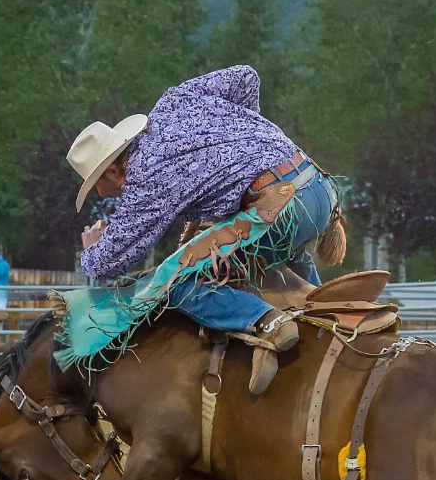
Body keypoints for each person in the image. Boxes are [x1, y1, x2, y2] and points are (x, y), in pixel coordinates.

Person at [66, 65, 342, 394]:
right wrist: (248, 141)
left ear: (112, 171)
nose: (101, 194)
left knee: (175, 282)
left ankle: (269, 322)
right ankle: (328, 318)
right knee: (281, 253)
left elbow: (110, 263)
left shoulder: (145, 181)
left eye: (97, 184)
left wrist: (92, 247)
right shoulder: (173, 103)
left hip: (280, 209)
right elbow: (246, 76)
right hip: (320, 190)